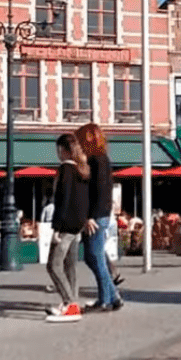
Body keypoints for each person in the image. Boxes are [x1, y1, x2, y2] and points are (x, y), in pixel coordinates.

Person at [76, 122, 123, 311]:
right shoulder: (100, 160)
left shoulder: (97, 161)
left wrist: (91, 217)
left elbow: (98, 191)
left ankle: (106, 299)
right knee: (94, 256)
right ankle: (113, 296)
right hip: (99, 214)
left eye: (80, 139)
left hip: (96, 216)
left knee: (95, 257)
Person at [44, 134, 90, 322]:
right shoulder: (83, 170)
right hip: (78, 224)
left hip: (66, 224)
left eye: (58, 150)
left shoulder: (65, 170)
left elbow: (62, 200)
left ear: (64, 150)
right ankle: (73, 302)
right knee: (70, 265)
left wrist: (56, 227)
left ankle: (69, 303)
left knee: (53, 265)